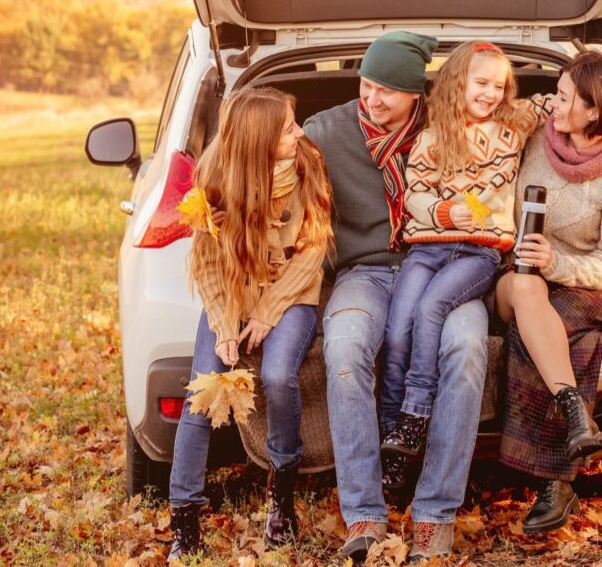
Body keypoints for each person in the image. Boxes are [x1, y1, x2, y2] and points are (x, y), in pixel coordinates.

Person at [301, 32, 490, 563]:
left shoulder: (451, 127)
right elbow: (267, 174)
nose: (372, 98)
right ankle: (364, 512)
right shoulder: (326, 132)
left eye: (387, 90)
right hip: (366, 273)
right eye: (366, 83)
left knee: (468, 349)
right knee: (344, 348)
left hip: (443, 270)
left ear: (416, 95)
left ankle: (434, 512)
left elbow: (518, 127)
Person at [168, 87, 334, 559]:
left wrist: (268, 312)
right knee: (203, 391)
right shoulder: (214, 177)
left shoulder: (307, 167)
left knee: (280, 376)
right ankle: (184, 518)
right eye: (287, 128)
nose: (299, 132)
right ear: (259, 140)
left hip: (290, 295)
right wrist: (224, 326)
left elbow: (312, 254)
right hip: (233, 296)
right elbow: (207, 264)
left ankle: (281, 496)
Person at [494, 51, 602, 534]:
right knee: (526, 291)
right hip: (511, 275)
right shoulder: (537, 136)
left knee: (567, 334)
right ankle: (575, 417)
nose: (554, 104)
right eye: (555, 93)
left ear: (594, 111)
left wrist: (556, 261)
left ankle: (555, 482)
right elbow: (487, 125)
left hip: (579, 283)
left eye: (563, 97)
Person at [379, 42, 541, 487]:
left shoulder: (515, 125)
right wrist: (445, 212)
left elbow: (568, 103)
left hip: (479, 252)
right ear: (457, 83)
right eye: (481, 83)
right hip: (427, 247)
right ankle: (393, 437)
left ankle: (415, 413)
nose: (491, 93)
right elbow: (413, 194)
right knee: (396, 331)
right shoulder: (433, 137)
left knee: (431, 308)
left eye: (499, 85)